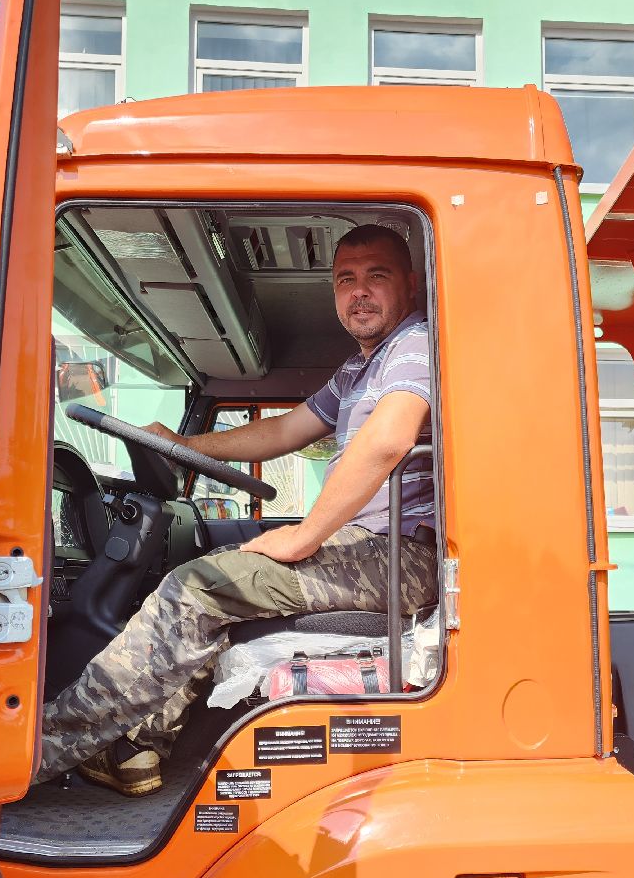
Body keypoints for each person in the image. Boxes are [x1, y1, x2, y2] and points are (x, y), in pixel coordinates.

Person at [37, 224, 439, 795]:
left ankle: (46, 745)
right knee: (224, 571)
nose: (360, 292)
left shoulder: (416, 344)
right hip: (368, 548)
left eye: (377, 276)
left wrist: (305, 536)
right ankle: (134, 749)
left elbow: (387, 442)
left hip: (402, 554)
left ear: (409, 286)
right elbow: (284, 430)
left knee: (196, 586)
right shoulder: (358, 370)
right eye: (346, 280)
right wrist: (182, 448)